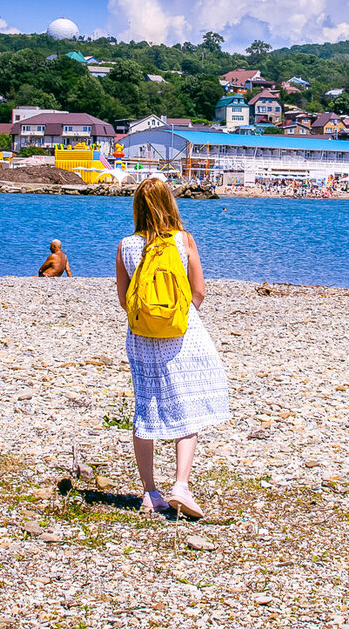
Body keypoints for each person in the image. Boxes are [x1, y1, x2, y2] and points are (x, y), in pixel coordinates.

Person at [115, 177, 230, 518]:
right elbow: (199, 291)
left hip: (142, 337)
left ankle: (150, 492)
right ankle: (181, 484)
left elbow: (125, 300)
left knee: (146, 407)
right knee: (188, 404)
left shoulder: (126, 246)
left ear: (138, 206)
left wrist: (151, 320)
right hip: (183, 332)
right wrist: (180, 316)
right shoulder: (184, 240)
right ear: (170, 203)